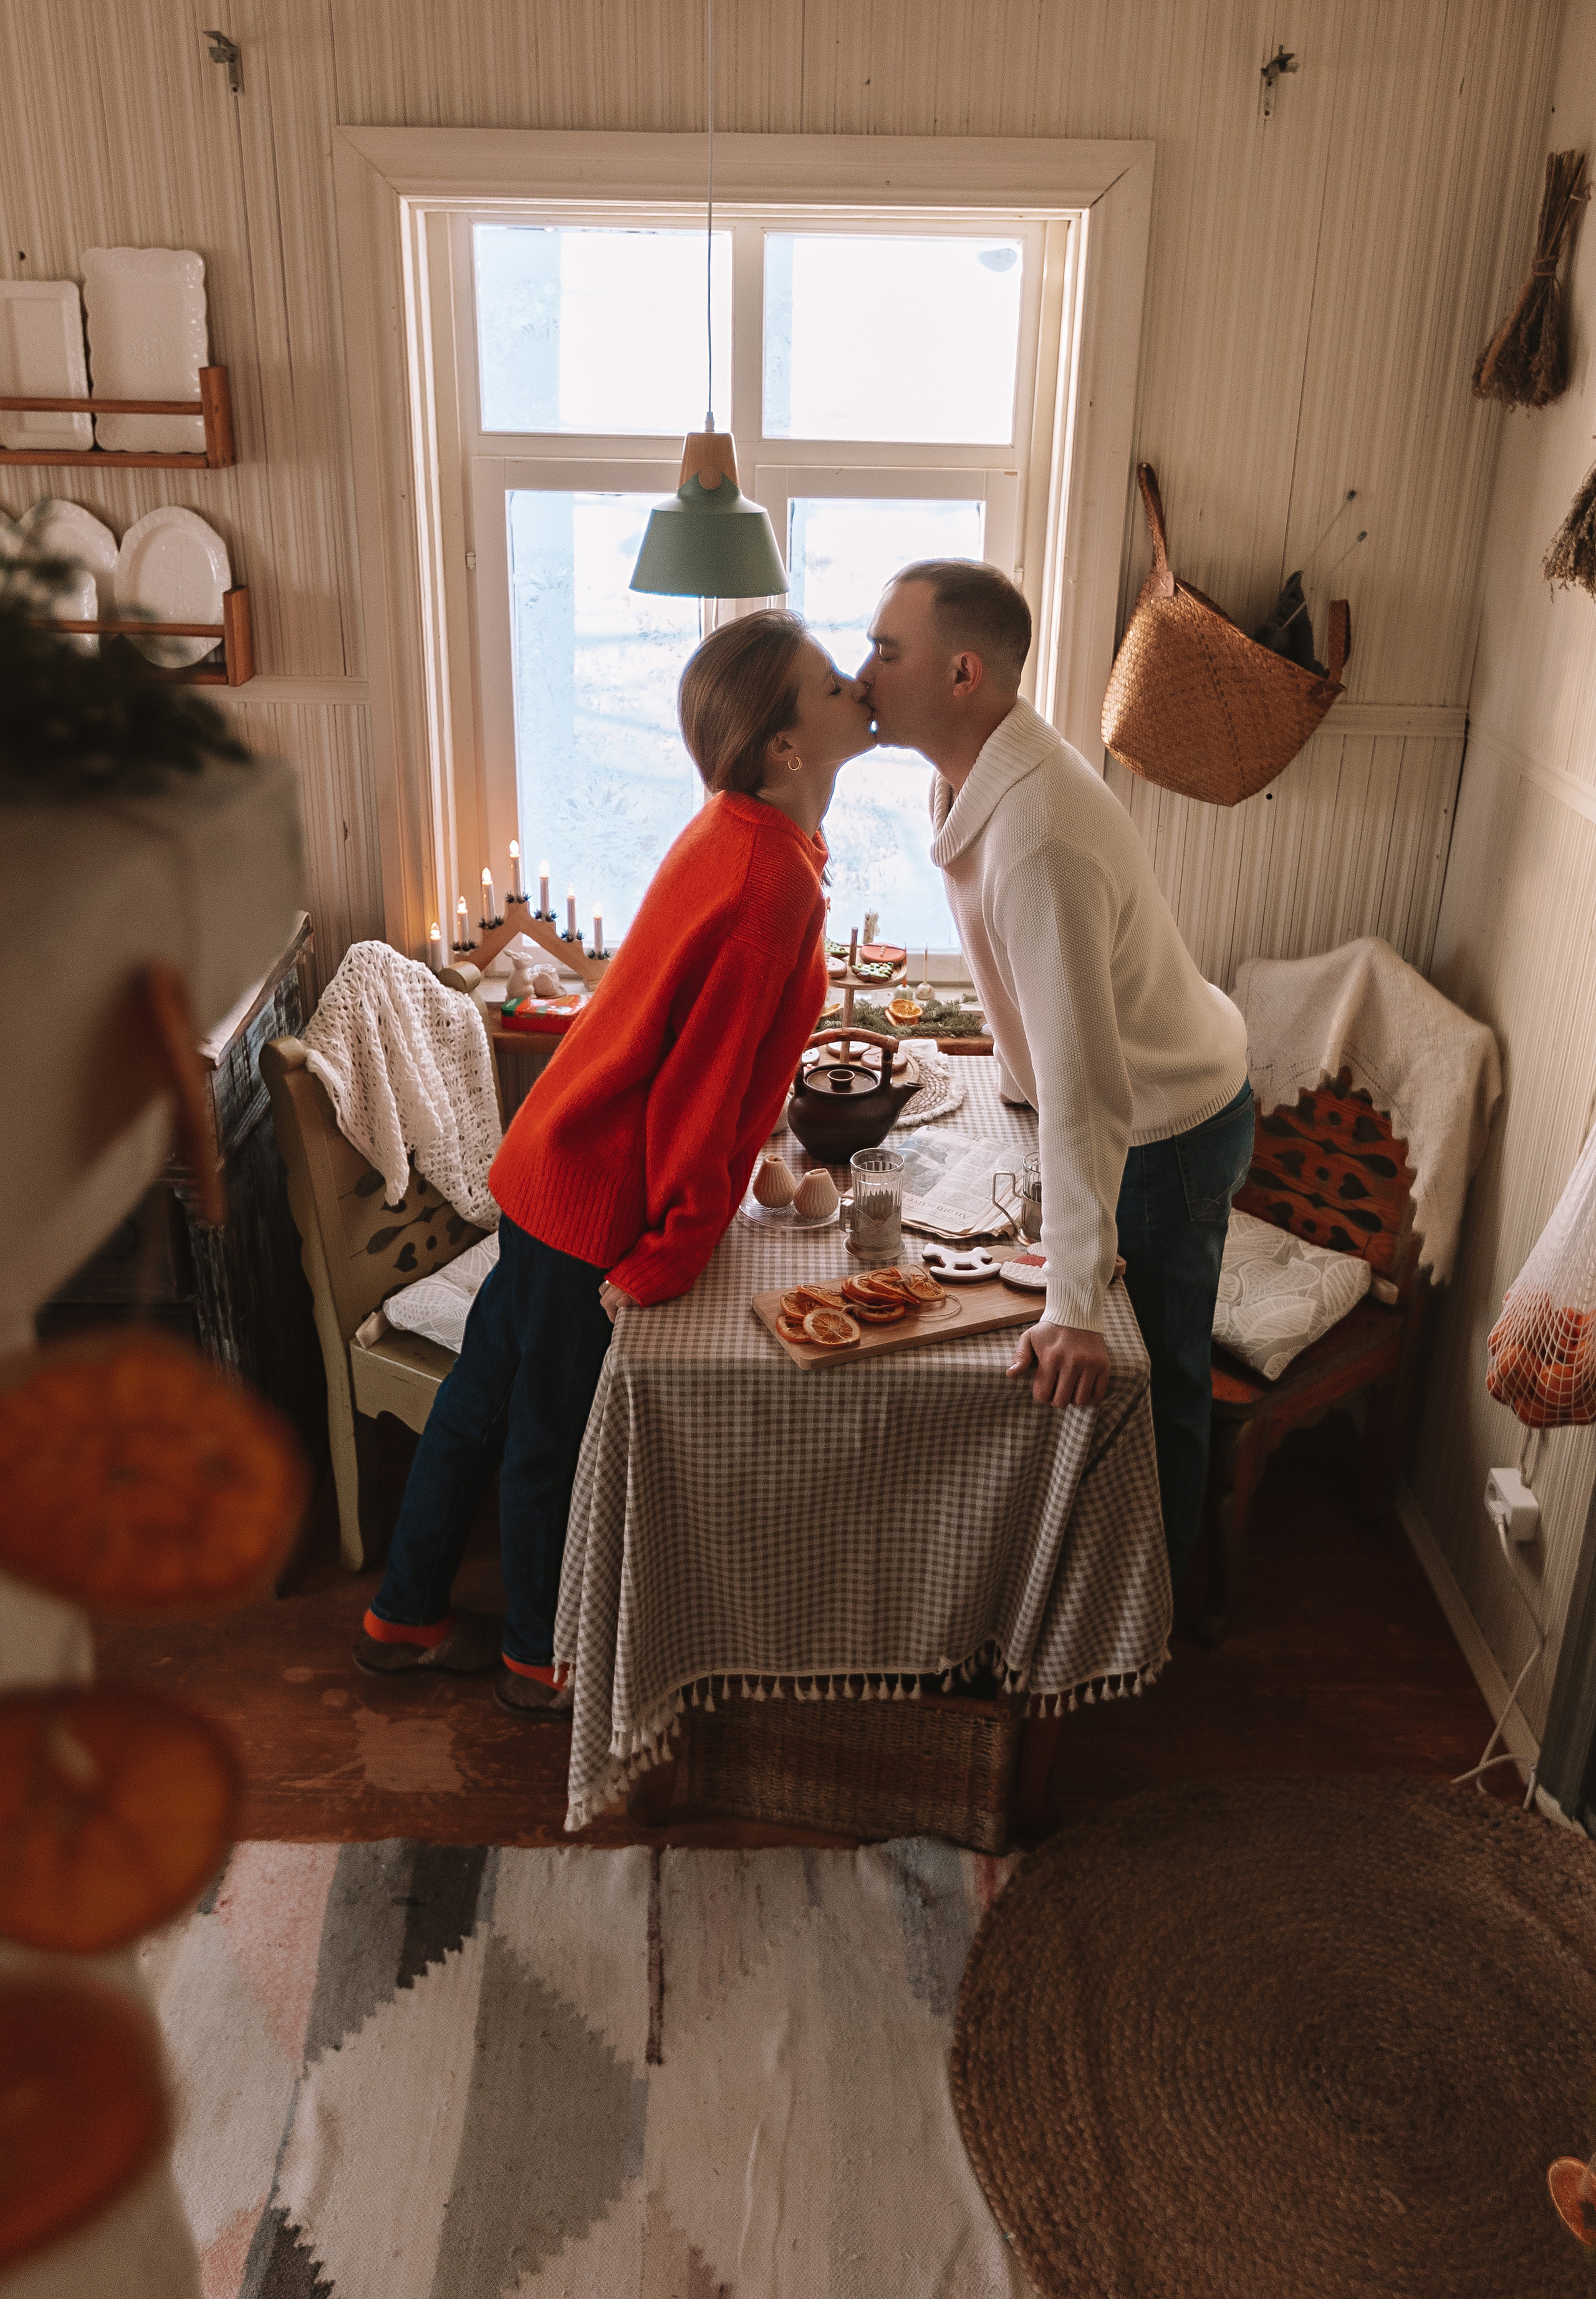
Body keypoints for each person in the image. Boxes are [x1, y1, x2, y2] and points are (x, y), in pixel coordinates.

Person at [353, 610, 875, 1712]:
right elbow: (705, 1085)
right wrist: (680, 1242)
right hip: (593, 1191)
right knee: (547, 1427)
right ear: (785, 744)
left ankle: (402, 1616)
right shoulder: (766, 875)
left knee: (483, 1397)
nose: (857, 685)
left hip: (560, 1162)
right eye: (832, 683)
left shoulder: (748, 833)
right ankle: (538, 1664)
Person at [858, 560, 1252, 1596]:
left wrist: (1073, 1302)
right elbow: (1035, 1009)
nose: (864, 673)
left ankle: (1157, 1607)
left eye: (885, 651)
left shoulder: (1039, 833)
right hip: (1124, 1102)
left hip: (1170, 1128)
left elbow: (1089, 1083)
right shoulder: (968, 775)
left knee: (1157, 1378)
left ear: (962, 674)